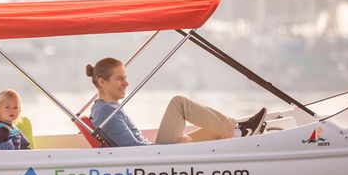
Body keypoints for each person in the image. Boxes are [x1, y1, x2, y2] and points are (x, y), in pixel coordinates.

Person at [85, 57, 266, 147]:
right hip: (155, 157)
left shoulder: (108, 108)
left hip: (156, 151)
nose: (126, 83)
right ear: (102, 82)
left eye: (125, 78)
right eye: (119, 79)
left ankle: (238, 130)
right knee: (179, 103)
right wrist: (175, 146)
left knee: (216, 131)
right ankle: (238, 131)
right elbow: (133, 150)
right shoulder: (106, 112)